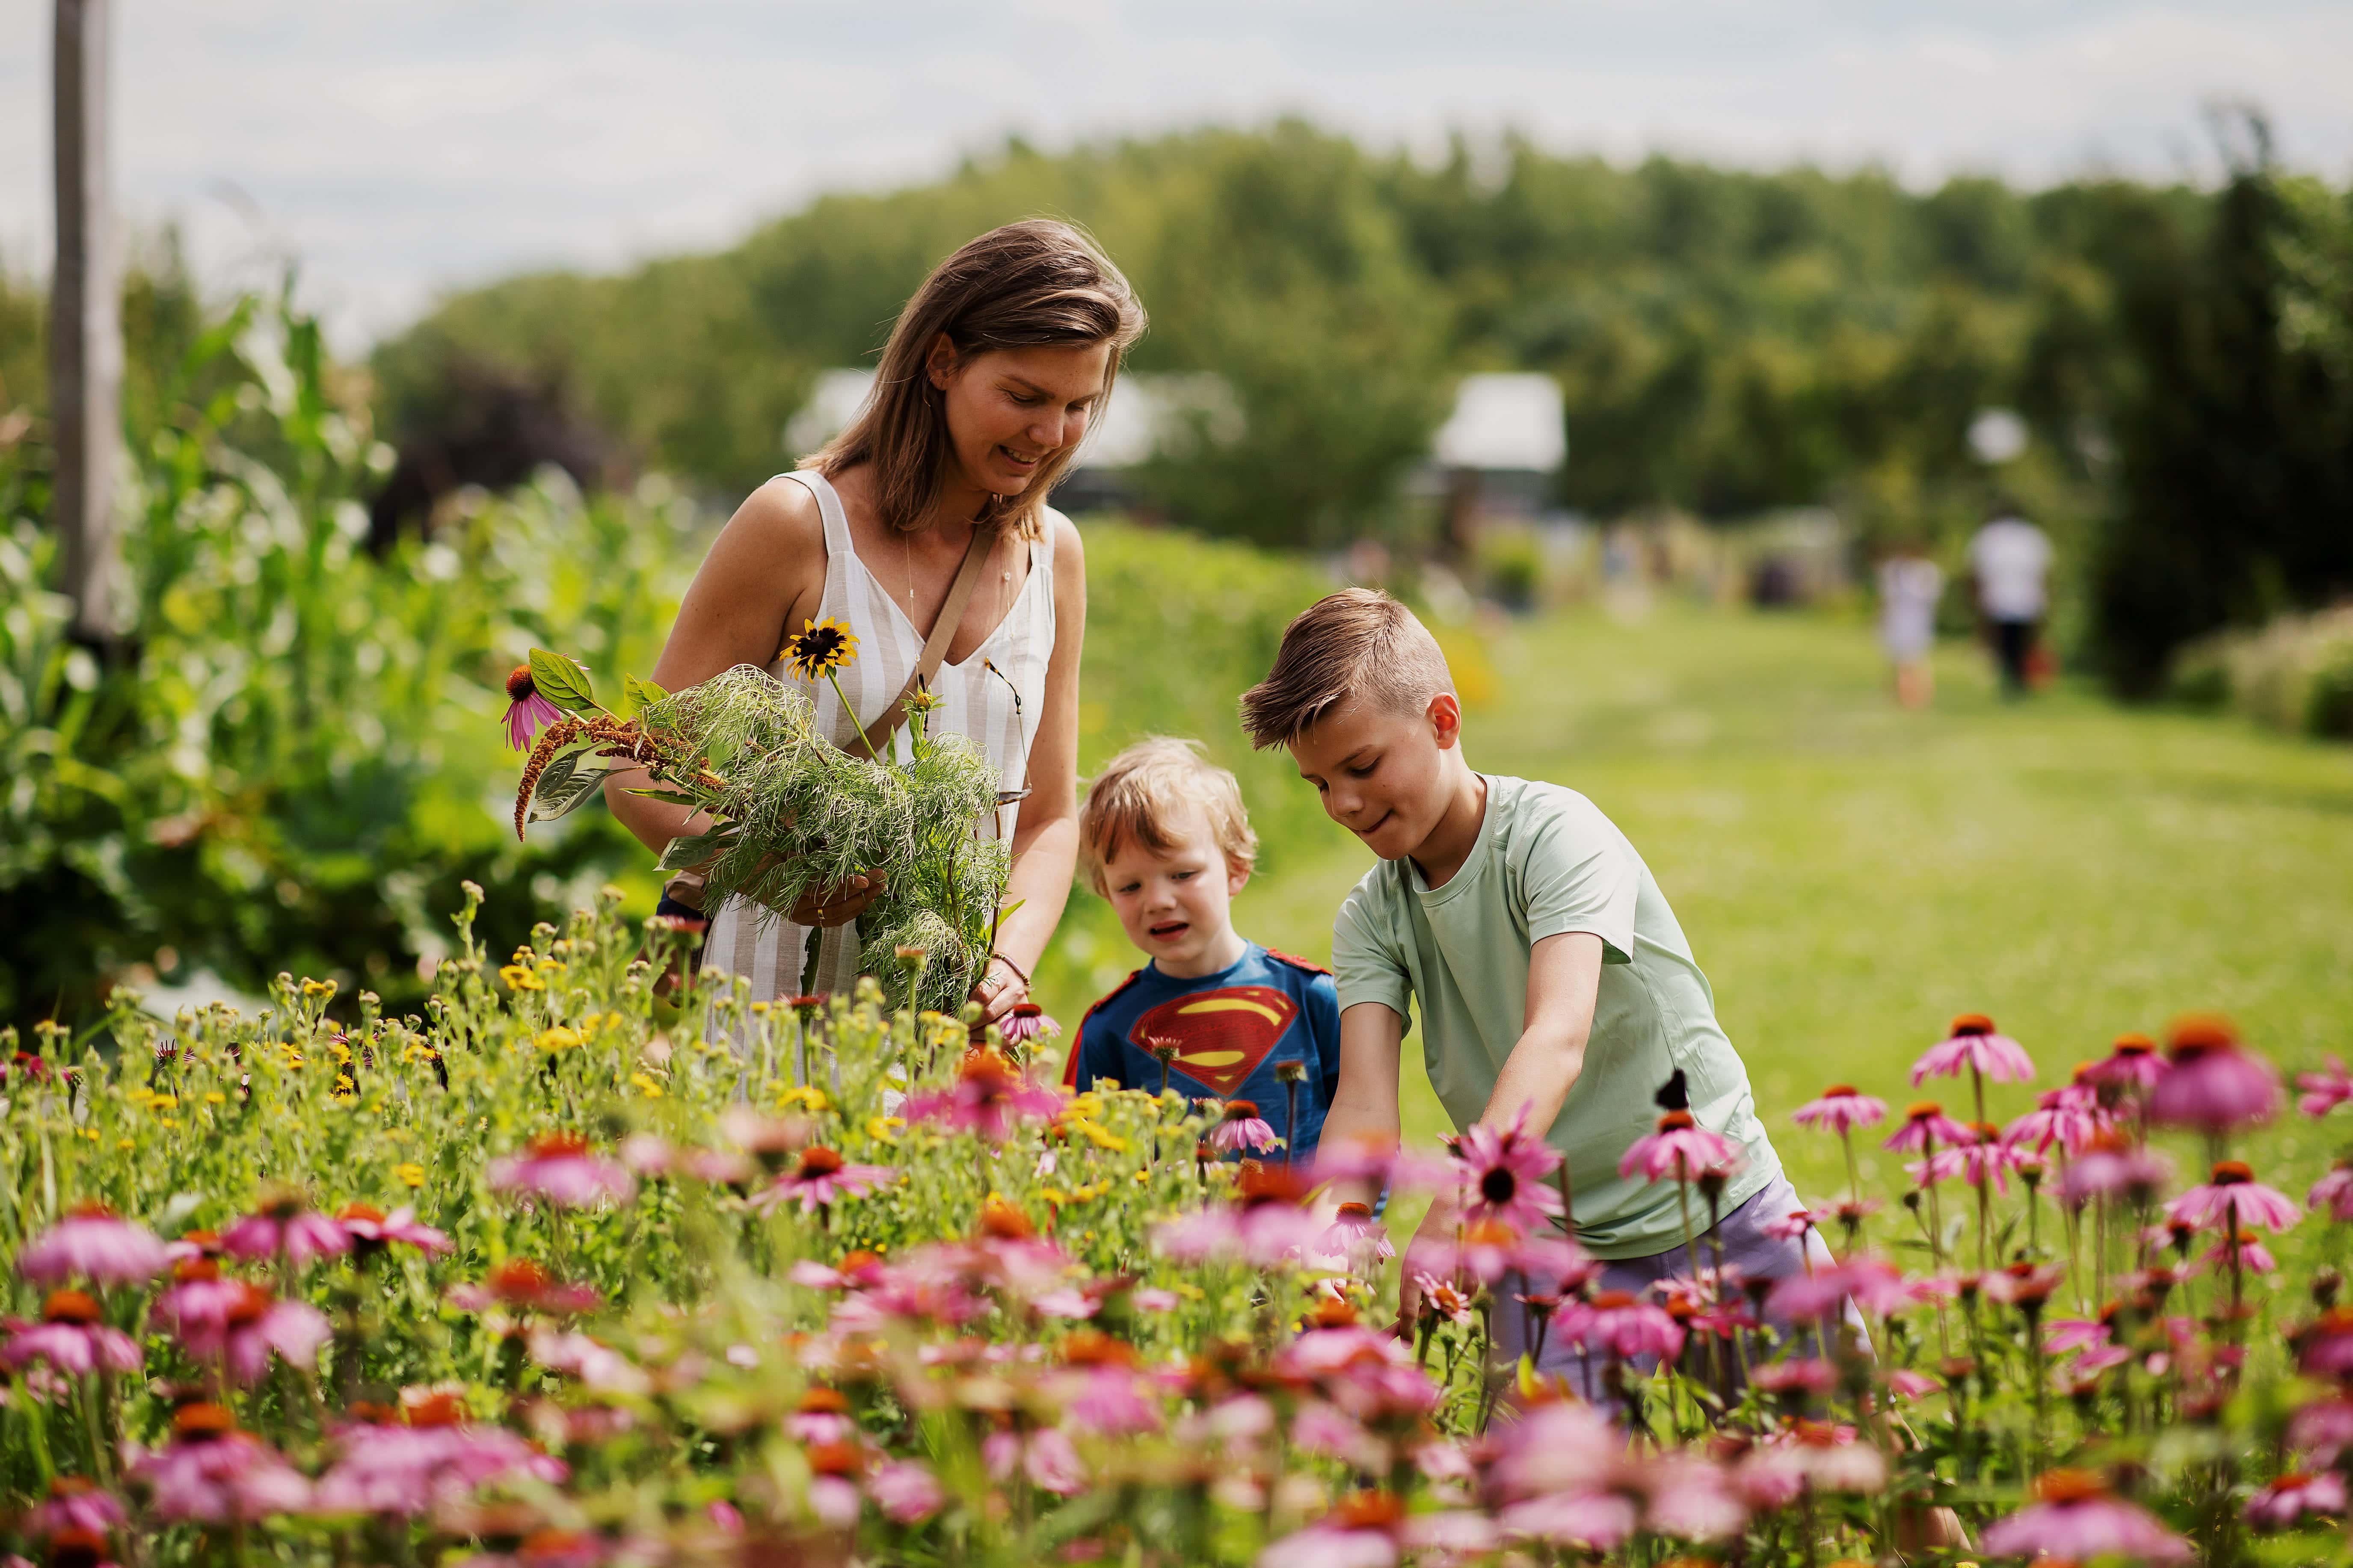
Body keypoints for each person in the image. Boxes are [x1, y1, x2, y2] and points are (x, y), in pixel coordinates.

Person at [1240, 588, 1825, 1392]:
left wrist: (1464, 1200)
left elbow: (1557, 1036)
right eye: (1318, 784)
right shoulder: (1372, 919)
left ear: (1445, 722)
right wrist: (1331, 1235)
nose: (1343, 803)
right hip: (1552, 1247)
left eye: (1363, 767)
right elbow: (1366, 1106)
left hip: (1717, 1210)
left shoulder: (1556, 836)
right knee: (1545, 1498)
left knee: (1866, 1460)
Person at [602, 220, 1145, 1024]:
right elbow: (635, 769)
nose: (1051, 435)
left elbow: (1046, 816)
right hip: (768, 1022)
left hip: (946, 1036)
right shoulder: (795, 524)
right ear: (941, 361)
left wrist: (1005, 967)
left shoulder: (1053, 554)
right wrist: (774, 874)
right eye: (1025, 397)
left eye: (1078, 405)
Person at [1063, 739, 1342, 1165]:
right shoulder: (1108, 1030)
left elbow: (1368, 1135)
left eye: (1182, 874)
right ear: (1106, 892)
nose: (1157, 900)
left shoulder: (1313, 996)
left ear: (1236, 868)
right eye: (1130, 886)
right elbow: (1084, 1165)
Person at [1966, 506, 2053, 698]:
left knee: (2005, 645)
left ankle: (2014, 680)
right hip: (2026, 601)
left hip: (1999, 600)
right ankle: (2017, 681)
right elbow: (2044, 574)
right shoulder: (2033, 537)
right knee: (2020, 644)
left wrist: (1976, 601)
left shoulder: (1989, 537)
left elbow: (1976, 573)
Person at [1875, 544, 1944, 710]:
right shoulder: (1894, 571)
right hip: (1899, 621)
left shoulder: (1928, 572)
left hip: (1916, 622)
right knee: (1900, 661)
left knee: (1915, 660)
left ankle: (1917, 698)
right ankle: (1903, 697)